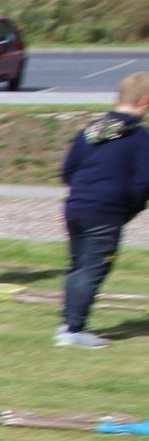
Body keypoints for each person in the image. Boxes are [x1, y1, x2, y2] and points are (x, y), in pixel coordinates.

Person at [55, 72, 149, 350]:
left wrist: (86, 190)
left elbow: (68, 171)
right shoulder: (141, 138)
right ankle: (74, 331)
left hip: (76, 206)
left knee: (78, 266)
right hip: (106, 211)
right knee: (93, 269)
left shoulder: (90, 131)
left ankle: (68, 322)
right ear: (145, 101)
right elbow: (144, 181)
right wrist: (128, 205)